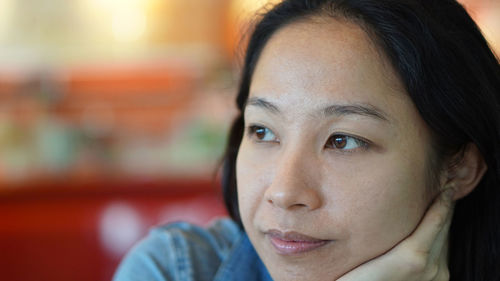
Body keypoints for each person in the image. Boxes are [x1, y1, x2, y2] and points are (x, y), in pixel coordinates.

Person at [113, 0, 500, 280]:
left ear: (460, 166)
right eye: (262, 131)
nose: (283, 192)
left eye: (344, 140)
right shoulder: (175, 268)